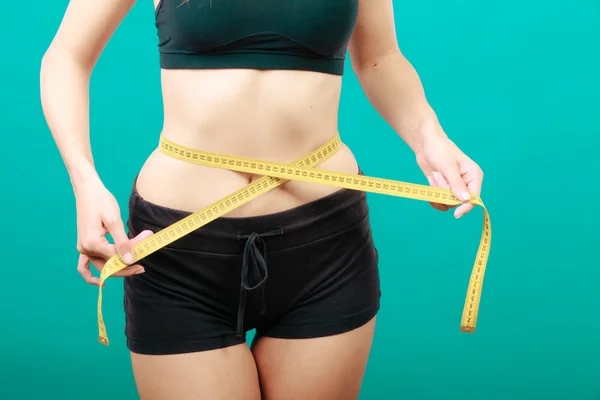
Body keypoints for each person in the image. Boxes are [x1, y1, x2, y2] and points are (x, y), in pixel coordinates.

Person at [40, 0, 484, 399]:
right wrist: (85, 183)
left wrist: (431, 139)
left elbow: (379, 57)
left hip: (324, 246)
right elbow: (66, 57)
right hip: (179, 251)